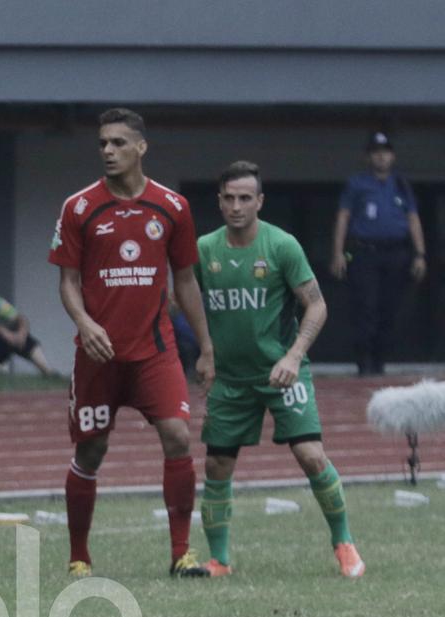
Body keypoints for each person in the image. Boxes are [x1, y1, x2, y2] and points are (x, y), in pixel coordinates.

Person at [47, 107, 215, 578]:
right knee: (91, 450)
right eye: (102, 143)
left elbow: (185, 282)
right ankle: (79, 556)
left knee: (179, 436)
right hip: (98, 356)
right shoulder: (78, 207)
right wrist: (85, 323)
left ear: (141, 147)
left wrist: (205, 347)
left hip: (154, 352)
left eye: (118, 143)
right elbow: (68, 283)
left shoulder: (173, 207)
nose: (108, 151)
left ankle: (182, 555)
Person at [197, 161, 364, 578]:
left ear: (260, 202)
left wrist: (293, 356)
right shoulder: (203, 250)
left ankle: (344, 543)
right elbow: (181, 297)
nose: (237, 206)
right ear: (219, 201)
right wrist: (205, 351)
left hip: (282, 374)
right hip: (231, 380)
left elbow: (317, 305)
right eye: (229, 198)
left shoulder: (282, 246)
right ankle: (219, 559)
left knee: (310, 455)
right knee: (217, 466)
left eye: (245, 198)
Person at [330, 131, 427, 376]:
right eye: (376, 153)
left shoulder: (401, 185)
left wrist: (420, 254)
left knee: (390, 308)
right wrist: (338, 252)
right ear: (369, 157)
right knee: (366, 307)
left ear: (392, 156)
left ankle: (381, 362)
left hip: (396, 254)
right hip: (365, 253)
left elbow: (413, 218)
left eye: (385, 153)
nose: (381, 158)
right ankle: (364, 362)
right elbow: (343, 217)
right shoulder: (357, 184)